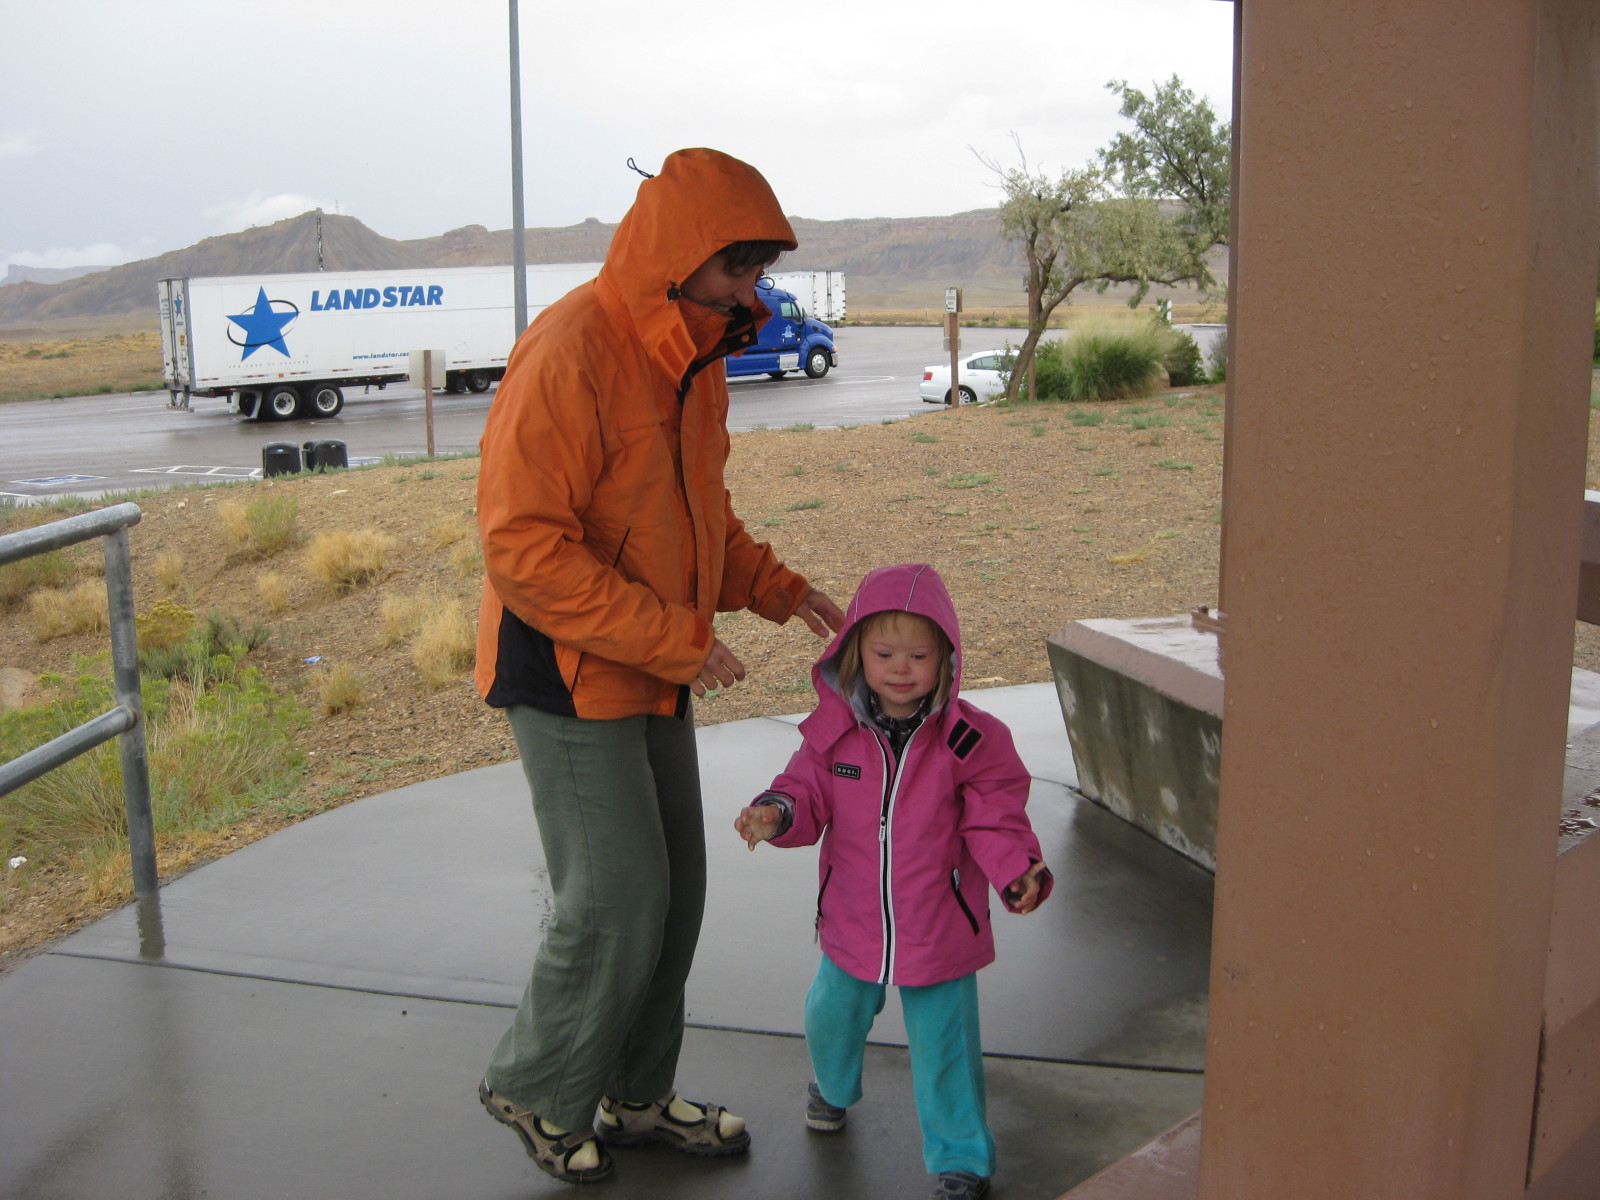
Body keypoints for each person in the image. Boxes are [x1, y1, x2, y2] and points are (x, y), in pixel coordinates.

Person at [474, 147, 844, 1186]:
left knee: (674, 894)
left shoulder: (695, 355)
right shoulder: (571, 349)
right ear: (680, 255)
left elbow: (694, 512)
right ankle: (536, 1086)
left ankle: (634, 1096)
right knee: (616, 898)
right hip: (564, 668)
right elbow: (522, 548)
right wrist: (677, 639)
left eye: (760, 269)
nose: (751, 289)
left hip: (648, 661)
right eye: (737, 266)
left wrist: (776, 588)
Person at [734, 562, 1052, 1200]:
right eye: (883, 654)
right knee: (831, 1015)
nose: (901, 669)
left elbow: (996, 815)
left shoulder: (970, 740)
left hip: (940, 925)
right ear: (855, 653)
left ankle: (962, 1159)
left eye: (919, 655)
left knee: (945, 1048)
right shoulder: (833, 734)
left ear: (947, 658)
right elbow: (803, 790)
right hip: (853, 918)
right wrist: (777, 811)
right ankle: (833, 1086)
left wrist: (1016, 868)